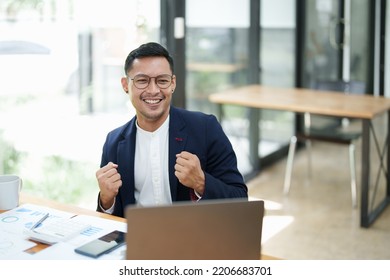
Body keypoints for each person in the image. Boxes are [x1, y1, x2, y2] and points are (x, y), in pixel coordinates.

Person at [95, 42, 247, 217]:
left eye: (162, 80)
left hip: (193, 238)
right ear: (125, 85)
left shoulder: (205, 128)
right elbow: (110, 222)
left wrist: (201, 183)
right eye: (142, 81)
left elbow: (240, 200)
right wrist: (106, 200)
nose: (153, 90)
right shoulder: (113, 142)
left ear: (172, 83)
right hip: (139, 240)